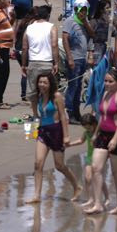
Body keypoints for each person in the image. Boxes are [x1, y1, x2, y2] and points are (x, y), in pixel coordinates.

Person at [25, 72, 80, 205]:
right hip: (43, 132)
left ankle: (77, 186)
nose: (42, 85)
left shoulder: (57, 96)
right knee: (38, 164)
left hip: (56, 132)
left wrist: (66, 136)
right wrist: (32, 131)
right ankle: (36, 195)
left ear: (50, 84)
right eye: (40, 82)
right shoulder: (37, 97)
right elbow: (37, 116)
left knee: (59, 166)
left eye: (45, 83)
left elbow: (63, 116)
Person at [83, 70, 117, 215]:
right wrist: (95, 134)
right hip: (103, 135)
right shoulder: (105, 94)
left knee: (116, 173)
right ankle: (98, 204)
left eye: (111, 81)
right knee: (96, 168)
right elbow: (101, 116)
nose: (107, 84)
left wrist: (115, 139)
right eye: (106, 81)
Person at [62, 0, 92, 124]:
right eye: (81, 11)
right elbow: (65, 39)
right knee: (73, 86)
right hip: (74, 58)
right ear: (75, 9)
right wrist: (69, 58)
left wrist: (85, 22)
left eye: (85, 11)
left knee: (79, 86)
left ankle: (76, 111)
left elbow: (92, 35)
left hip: (82, 58)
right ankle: (69, 112)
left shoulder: (84, 22)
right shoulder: (70, 21)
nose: (83, 13)